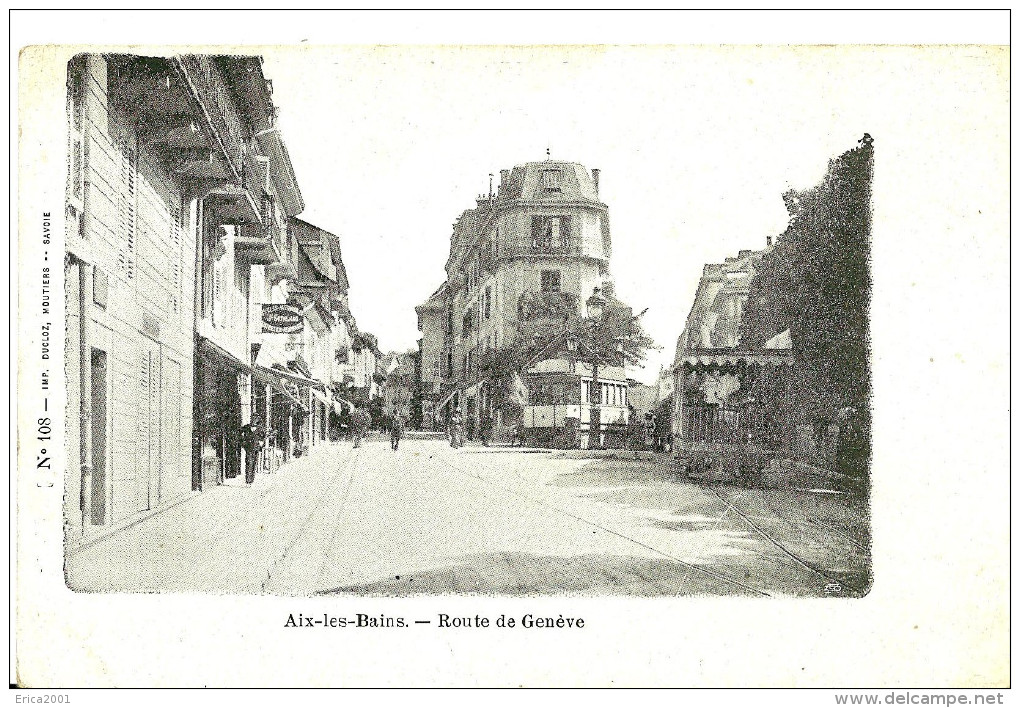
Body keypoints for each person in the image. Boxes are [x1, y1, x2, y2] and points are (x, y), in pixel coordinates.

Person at [239, 421, 264, 485]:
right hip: (248, 448)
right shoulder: (246, 427)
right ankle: (248, 480)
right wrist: (243, 443)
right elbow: (239, 432)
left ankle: (251, 480)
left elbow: (263, 436)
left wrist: (261, 443)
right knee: (249, 462)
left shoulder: (259, 429)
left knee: (254, 464)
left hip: (256, 448)